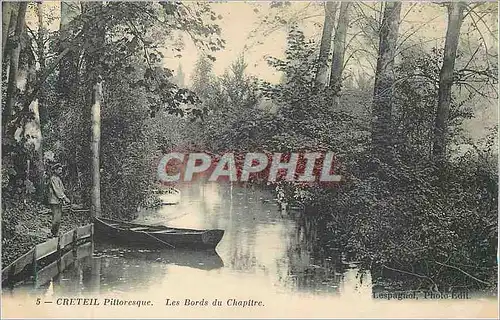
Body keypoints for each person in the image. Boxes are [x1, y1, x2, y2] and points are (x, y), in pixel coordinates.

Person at [48, 163, 70, 237]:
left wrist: (63, 198)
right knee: (56, 218)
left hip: (58, 201)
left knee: (58, 218)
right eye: (59, 170)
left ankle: (55, 233)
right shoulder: (53, 178)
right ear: (55, 170)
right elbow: (57, 190)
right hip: (54, 201)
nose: (61, 171)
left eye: (61, 170)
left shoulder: (58, 179)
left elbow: (62, 189)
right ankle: (52, 233)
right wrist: (64, 198)